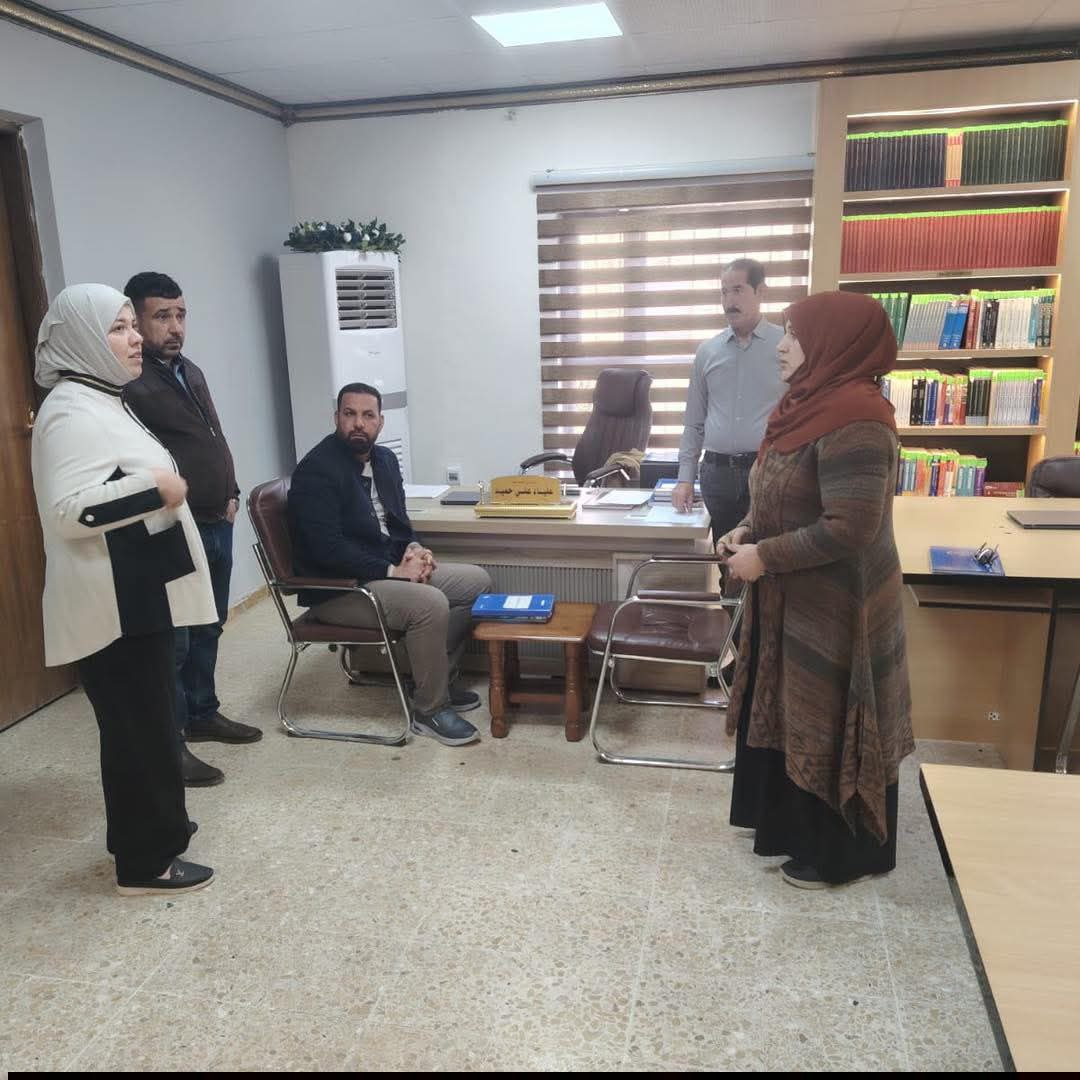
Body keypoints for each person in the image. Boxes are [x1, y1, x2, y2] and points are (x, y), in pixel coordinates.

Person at [719, 290, 914, 889]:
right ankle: (787, 828)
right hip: (791, 594)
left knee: (824, 716)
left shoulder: (859, 421)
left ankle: (838, 854)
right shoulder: (803, 406)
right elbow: (781, 490)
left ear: (835, 345)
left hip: (838, 605)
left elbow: (849, 528)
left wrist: (764, 556)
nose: (781, 347)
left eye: (795, 336)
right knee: (791, 710)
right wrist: (748, 528)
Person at [30, 284, 217, 895]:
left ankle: (159, 832)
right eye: (118, 328)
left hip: (135, 591)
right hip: (112, 605)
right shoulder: (68, 412)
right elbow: (68, 512)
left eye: (132, 326)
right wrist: (155, 489)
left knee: (151, 724)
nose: (135, 339)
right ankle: (145, 863)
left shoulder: (102, 397)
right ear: (83, 338)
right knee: (139, 732)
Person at [288, 382, 492, 746]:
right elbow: (326, 549)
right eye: (349, 414)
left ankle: (432, 679)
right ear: (336, 418)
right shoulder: (316, 470)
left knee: (477, 583)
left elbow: (397, 522)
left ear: (380, 422)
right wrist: (394, 572)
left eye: (368, 415)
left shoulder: (384, 460)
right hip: (338, 588)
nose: (358, 423)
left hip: (382, 570)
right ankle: (430, 709)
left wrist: (415, 549)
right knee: (429, 603)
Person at [123, 272, 261, 789]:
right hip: (174, 525)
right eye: (162, 316)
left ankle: (203, 711)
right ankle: (173, 740)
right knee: (176, 638)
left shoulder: (189, 370)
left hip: (216, 516)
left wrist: (232, 493)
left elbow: (212, 436)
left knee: (210, 623)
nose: (175, 327)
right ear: (136, 320)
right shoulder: (131, 382)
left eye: (180, 314)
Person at [673, 258, 786, 542]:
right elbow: (694, 422)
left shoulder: (785, 346)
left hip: (767, 470)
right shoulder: (707, 351)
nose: (729, 301)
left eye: (738, 290)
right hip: (717, 474)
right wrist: (684, 478)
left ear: (761, 292)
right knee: (725, 554)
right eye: (724, 292)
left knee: (765, 556)